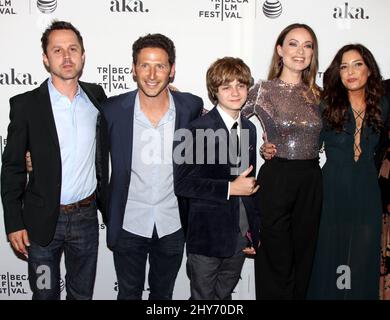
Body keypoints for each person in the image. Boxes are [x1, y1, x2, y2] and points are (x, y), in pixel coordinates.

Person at [1, 21, 108, 300]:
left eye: (73, 49)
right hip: (40, 224)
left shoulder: (97, 98)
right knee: (45, 293)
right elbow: (12, 168)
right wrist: (13, 223)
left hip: (86, 219)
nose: (67, 56)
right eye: (58, 50)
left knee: (81, 295)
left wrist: (173, 97)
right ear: (46, 59)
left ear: (83, 56)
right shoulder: (26, 106)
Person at [102, 33, 203, 300]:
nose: (152, 73)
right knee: (128, 295)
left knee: (163, 296)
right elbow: (95, 159)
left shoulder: (190, 106)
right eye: (144, 64)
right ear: (133, 69)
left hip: (172, 223)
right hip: (128, 223)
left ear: (172, 70)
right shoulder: (112, 110)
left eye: (160, 65)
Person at [241, 23, 323, 299]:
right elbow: (229, 116)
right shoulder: (262, 90)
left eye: (307, 45)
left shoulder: (319, 95)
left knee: (304, 259)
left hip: (311, 180)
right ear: (280, 50)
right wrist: (260, 147)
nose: (300, 51)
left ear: (313, 53)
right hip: (276, 179)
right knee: (274, 259)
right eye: (293, 43)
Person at [307, 44, 389, 300]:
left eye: (357, 64)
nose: (350, 71)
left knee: (361, 262)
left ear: (369, 70)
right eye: (344, 66)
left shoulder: (383, 105)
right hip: (332, 189)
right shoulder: (325, 105)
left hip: (367, 192)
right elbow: (307, 147)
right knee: (329, 259)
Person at [174, 57, 260, 300]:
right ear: (215, 91)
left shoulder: (249, 129)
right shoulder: (196, 129)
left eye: (240, 86)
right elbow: (182, 184)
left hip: (240, 235)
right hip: (207, 236)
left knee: (223, 299)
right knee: (202, 299)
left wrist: (254, 230)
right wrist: (230, 188)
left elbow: (249, 182)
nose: (235, 92)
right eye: (226, 87)